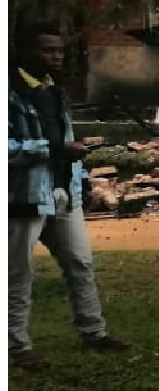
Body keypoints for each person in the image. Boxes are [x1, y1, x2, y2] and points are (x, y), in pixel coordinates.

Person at [9, 24, 131, 369]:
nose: (57, 57)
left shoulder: (55, 91)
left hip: (64, 192)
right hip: (24, 197)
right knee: (18, 273)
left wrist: (84, 179)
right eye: (48, 50)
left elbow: (68, 138)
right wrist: (52, 148)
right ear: (25, 52)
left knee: (80, 264)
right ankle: (16, 347)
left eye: (60, 51)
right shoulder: (10, 93)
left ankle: (94, 331)